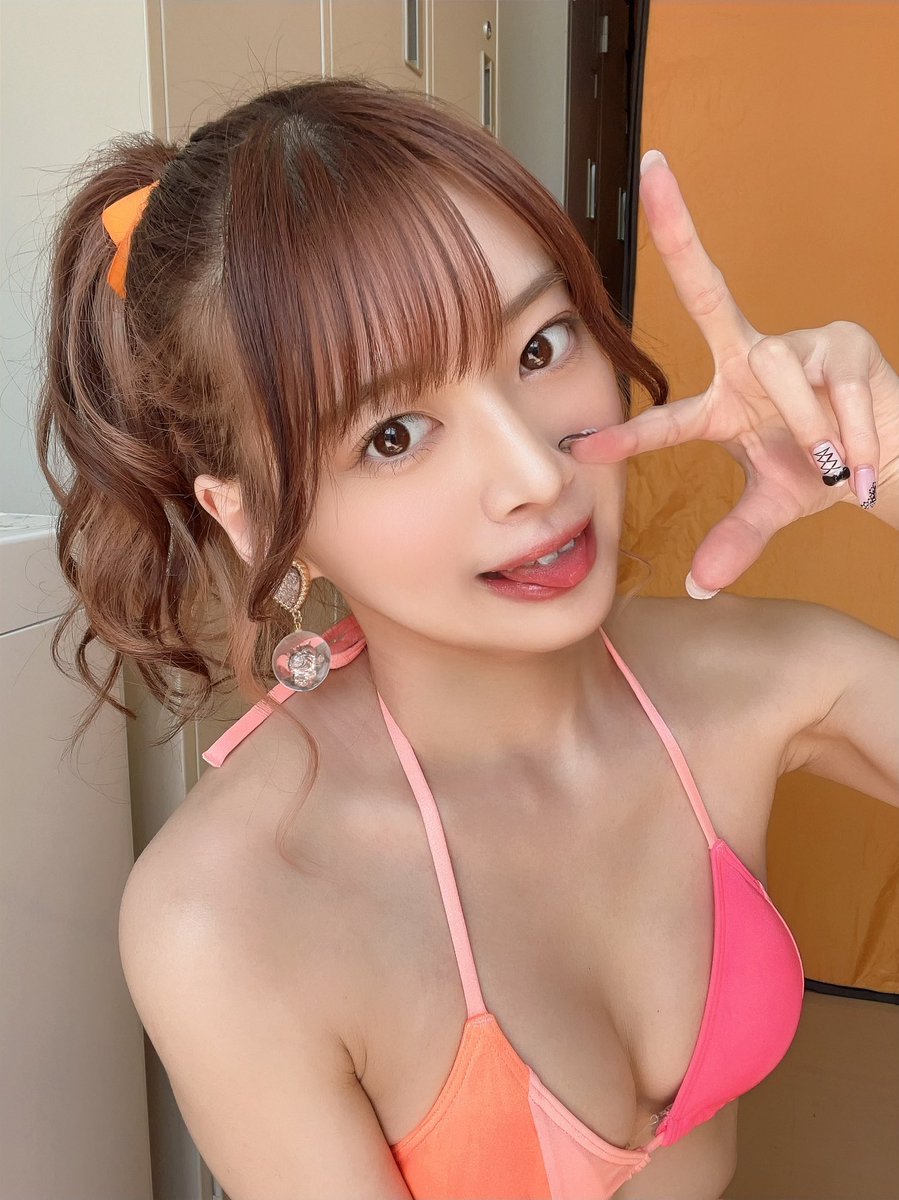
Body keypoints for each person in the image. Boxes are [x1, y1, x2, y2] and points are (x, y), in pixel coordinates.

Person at [36, 77, 898, 1200]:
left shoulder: (756, 680)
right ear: (250, 518)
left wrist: (894, 470)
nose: (535, 474)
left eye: (539, 347)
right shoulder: (228, 913)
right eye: (393, 434)